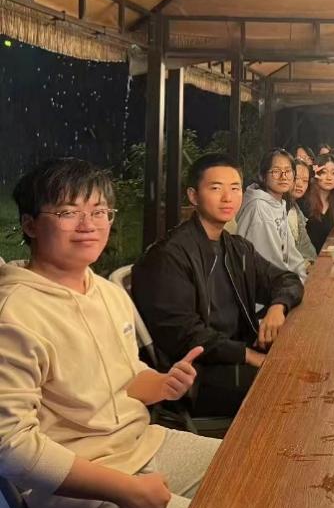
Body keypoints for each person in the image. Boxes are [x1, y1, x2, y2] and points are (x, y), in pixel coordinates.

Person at [0, 158, 219, 508]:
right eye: (68, 212)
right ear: (30, 224)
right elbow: (12, 447)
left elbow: (126, 377)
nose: (89, 225)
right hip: (68, 503)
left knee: (256, 474)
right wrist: (123, 489)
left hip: (141, 445)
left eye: (99, 211)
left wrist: (163, 384)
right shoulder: (14, 314)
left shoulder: (104, 290)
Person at [132, 154, 303, 417]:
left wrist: (277, 307)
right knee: (290, 386)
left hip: (236, 352)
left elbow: (287, 279)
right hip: (197, 376)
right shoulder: (168, 256)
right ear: (193, 196)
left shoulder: (236, 248)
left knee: (308, 361)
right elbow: (185, 334)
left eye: (235, 188)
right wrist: (248, 355)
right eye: (215, 188)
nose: (227, 198)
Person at [235, 149, 308, 283]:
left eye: (288, 171)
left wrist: (302, 278)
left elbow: (291, 253)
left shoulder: (278, 204)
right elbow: (269, 265)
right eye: (276, 171)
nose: (283, 176)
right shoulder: (259, 208)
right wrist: (295, 284)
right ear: (263, 176)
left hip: (282, 282)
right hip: (262, 289)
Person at [300, 153, 334, 253]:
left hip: (326, 256)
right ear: (315, 174)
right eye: (323, 172)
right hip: (306, 259)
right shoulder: (304, 201)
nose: (329, 177)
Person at [288, 158, 317, 267]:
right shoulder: (273, 209)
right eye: (296, 178)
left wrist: (312, 262)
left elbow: (306, 246)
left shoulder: (296, 210)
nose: (300, 184)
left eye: (305, 181)